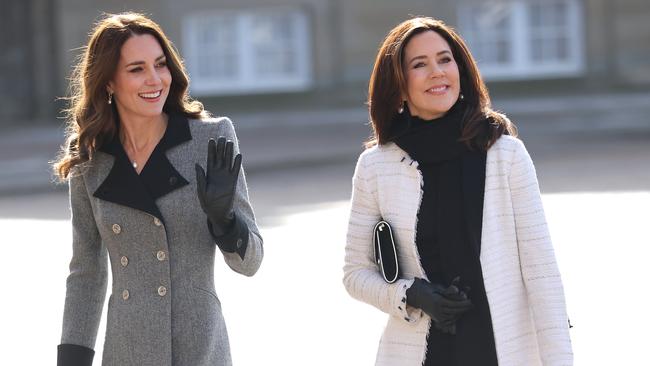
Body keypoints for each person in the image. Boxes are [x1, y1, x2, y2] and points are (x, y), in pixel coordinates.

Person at [343, 17, 572, 365]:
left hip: (500, 351)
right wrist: (412, 294)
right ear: (399, 85)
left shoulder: (505, 154)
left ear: (461, 70)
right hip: (421, 353)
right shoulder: (376, 166)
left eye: (445, 59)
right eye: (419, 65)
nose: (437, 72)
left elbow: (542, 274)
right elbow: (355, 274)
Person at [53, 12, 263, 366]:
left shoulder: (211, 140)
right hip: (128, 349)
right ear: (108, 83)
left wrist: (225, 221)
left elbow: (251, 262)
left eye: (160, 65)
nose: (155, 79)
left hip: (198, 346)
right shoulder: (91, 160)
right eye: (136, 69)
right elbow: (86, 273)